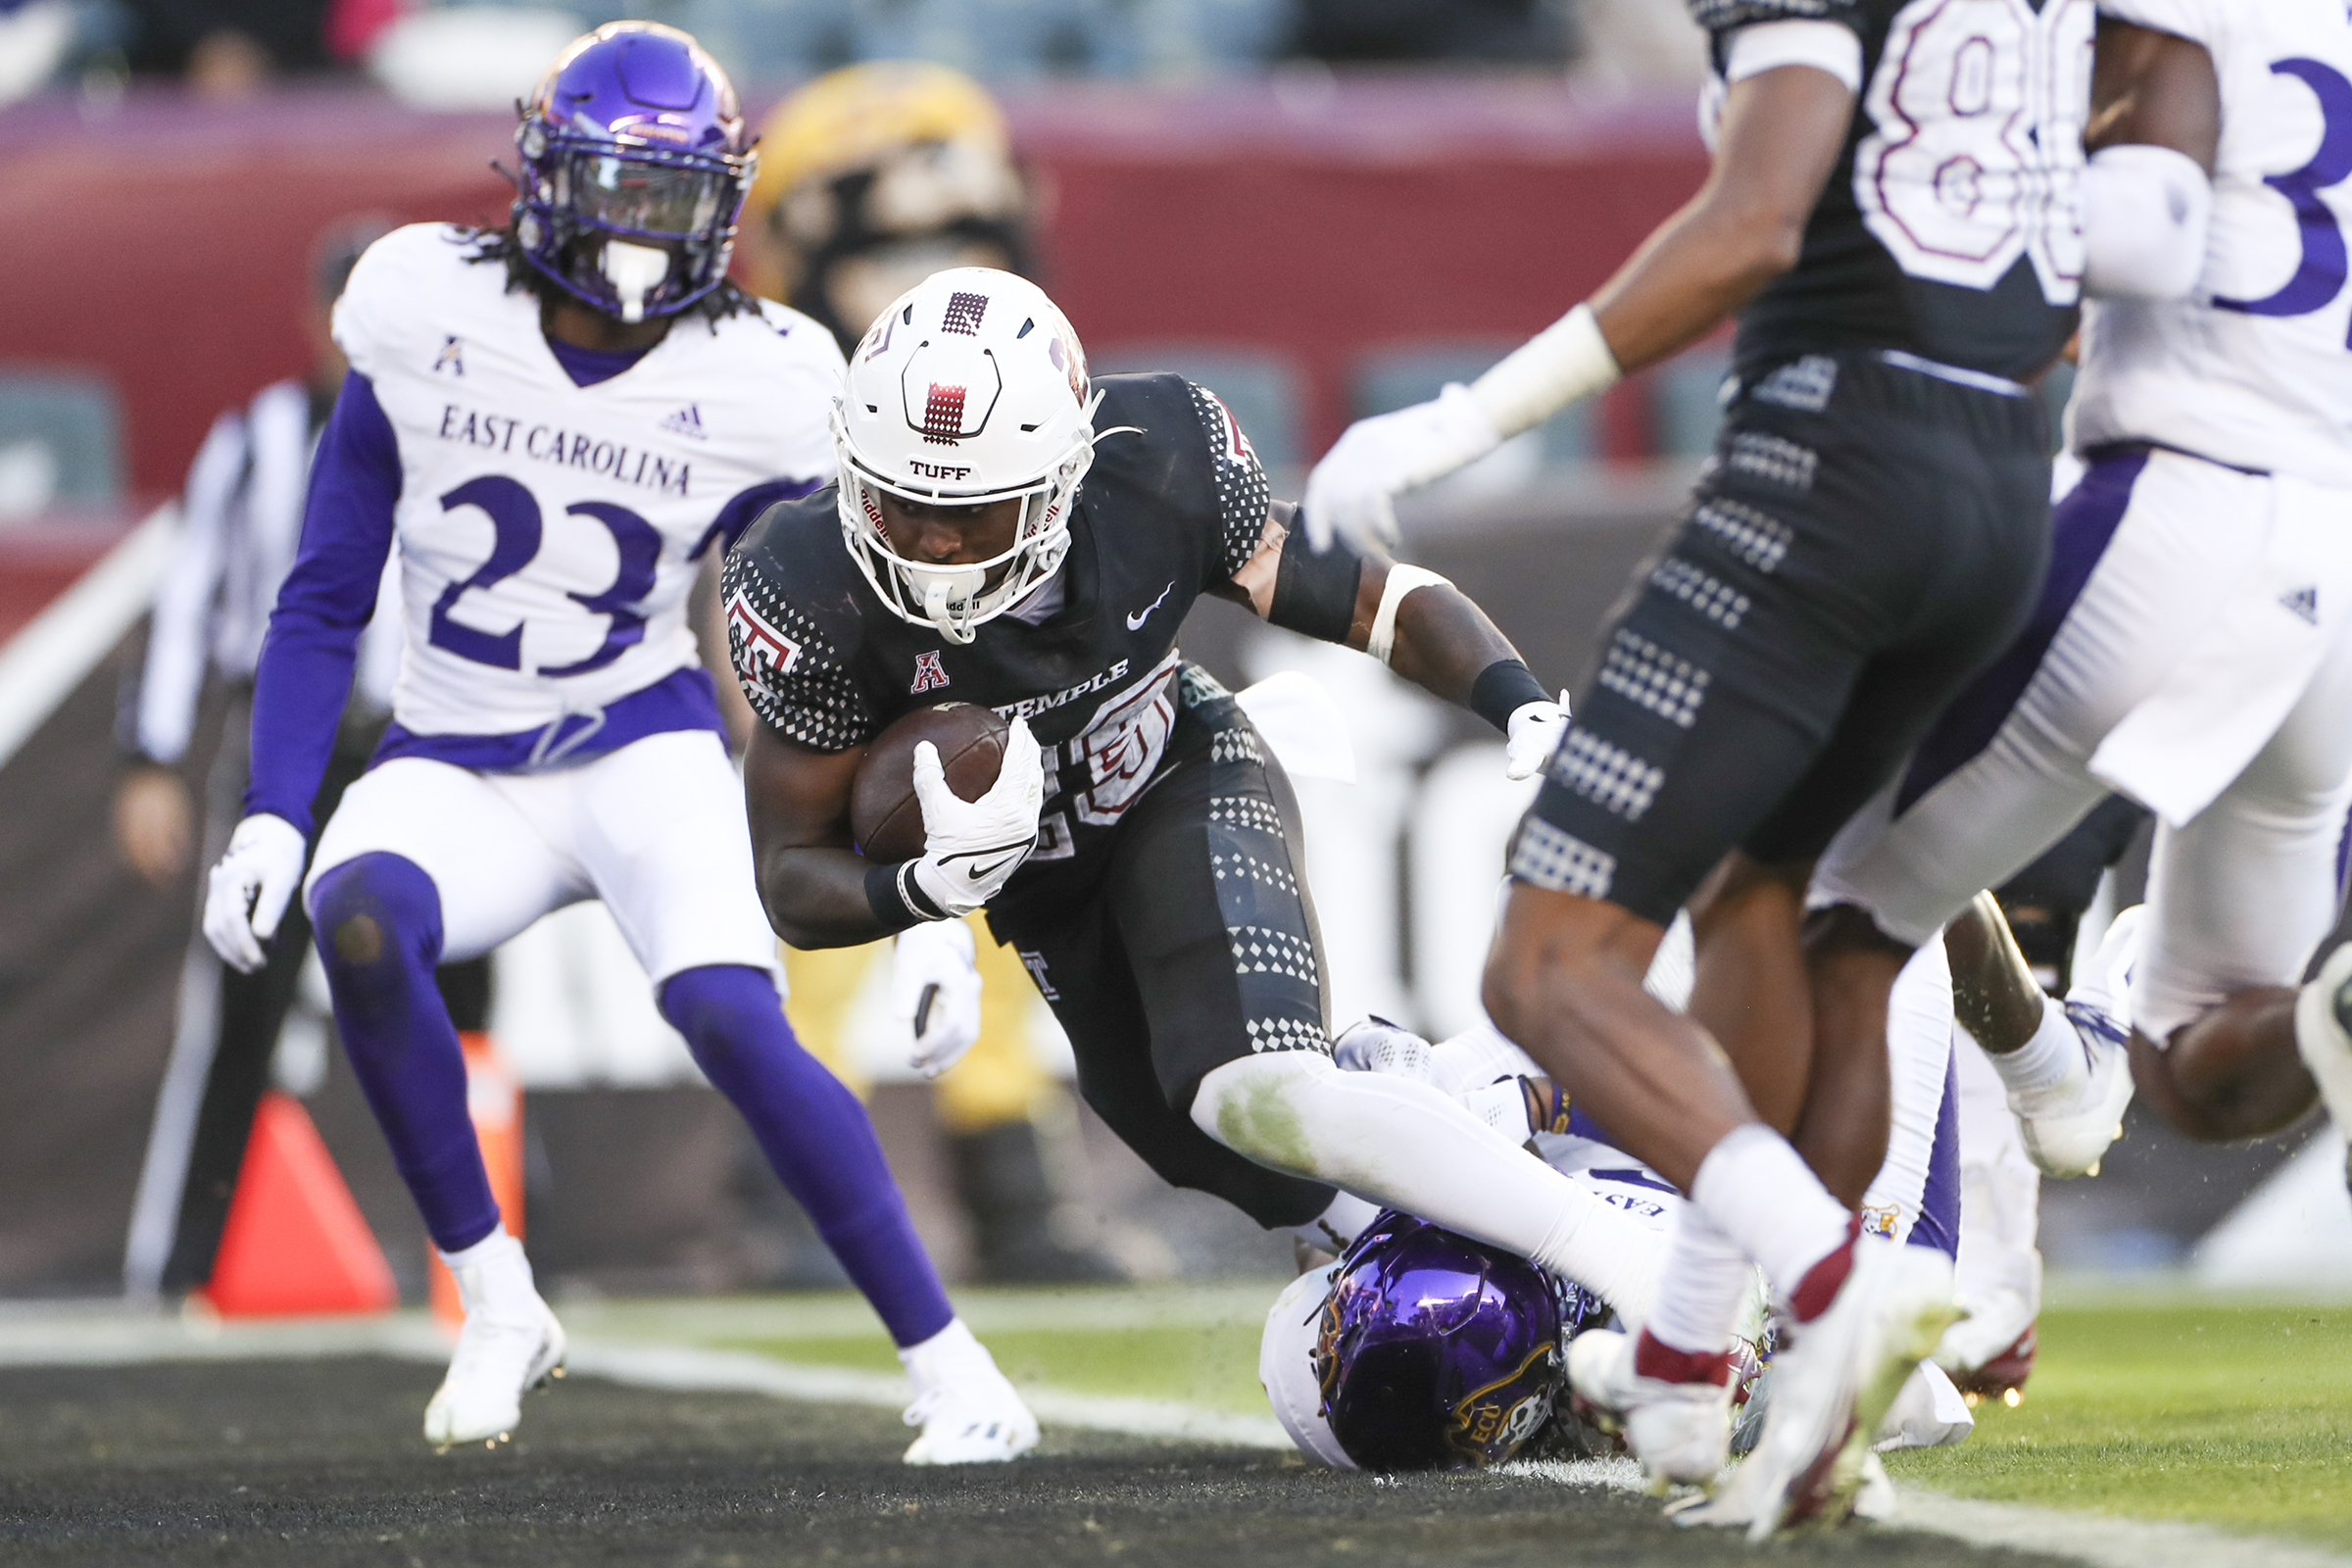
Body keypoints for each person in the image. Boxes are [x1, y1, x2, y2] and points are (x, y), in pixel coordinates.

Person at [1304, 0, 2093, 1533]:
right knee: (1804, 920)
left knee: (1545, 967)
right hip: (2001, 475)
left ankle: (1826, 1283)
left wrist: (1455, 425)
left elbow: (1749, 225)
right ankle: (1729, 1347)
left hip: (1836, 467)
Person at [197, 22, 1033, 1463]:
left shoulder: (767, 372)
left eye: (678, 197)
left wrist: (933, 913)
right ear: (545, 182)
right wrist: (277, 810)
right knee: (361, 915)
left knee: (727, 1012)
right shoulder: (420, 303)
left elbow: (860, 635)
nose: (649, 234)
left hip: (639, 745)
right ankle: (498, 1294)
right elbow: (327, 588)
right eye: (622, 191)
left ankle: (956, 1368)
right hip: (454, 753)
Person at [726, 265, 1685, 1333]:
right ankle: (1470, 1116)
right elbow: (787, 872)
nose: (932, 545)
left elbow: (1372, 601)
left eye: (969, 513)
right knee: (1238, 1164)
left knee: (1247, 1086)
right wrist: (918, 895)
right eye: (901, 504)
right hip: (1042, 884)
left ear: (1059, 480)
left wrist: (1512, 700)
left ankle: (1629, 1266)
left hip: (1180, 772)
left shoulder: (1157, 459)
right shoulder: (804, 579)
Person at [1809, 4, 2352, 1195]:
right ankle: (2338, 1013)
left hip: (2185, 503)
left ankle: (1796, 1312)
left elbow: (2116, 231)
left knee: (1827, 898)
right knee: (2193, 1068)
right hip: (2333, 564)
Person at [728, 61, 1124, 1285]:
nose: (920, 275)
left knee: (1001, 841)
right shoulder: (793, 387)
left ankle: (1003, 1171)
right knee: (827, 863)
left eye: (953, 232)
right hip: (852, 589)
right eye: (888, 235)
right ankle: (804, 1179)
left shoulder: (1001, 381)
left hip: (972, 595)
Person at [116, 217, 498, 1305]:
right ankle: (183, 1266)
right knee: (243, 1001)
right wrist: (149, 755)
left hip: (430, 743)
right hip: (300, 748)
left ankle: (498, 1250)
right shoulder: (258, 436)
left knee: (468, 1004)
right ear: (318, 320)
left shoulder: (472, 430)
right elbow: (188, 601)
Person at [1264, 915, 1976, 1481]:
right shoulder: (1641, 1355)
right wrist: (1542, 1103)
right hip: (1844, 1227)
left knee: (1552, 979)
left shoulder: (1367, 1386)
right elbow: (1755, 1122)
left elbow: (1340, 1139)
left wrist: (1406, 1071)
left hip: (1681, 1170)